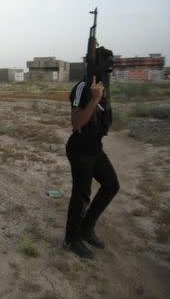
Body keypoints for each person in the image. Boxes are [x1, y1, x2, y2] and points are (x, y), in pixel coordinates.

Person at [64, 58, 120, 259]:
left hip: (95, 148)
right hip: (80, 148)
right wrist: (95, 99)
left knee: (111, 185)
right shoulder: (81, 87)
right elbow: (77, 122)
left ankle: (86, 229)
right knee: (81, 195)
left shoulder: (103, 87)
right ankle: (72, 239)